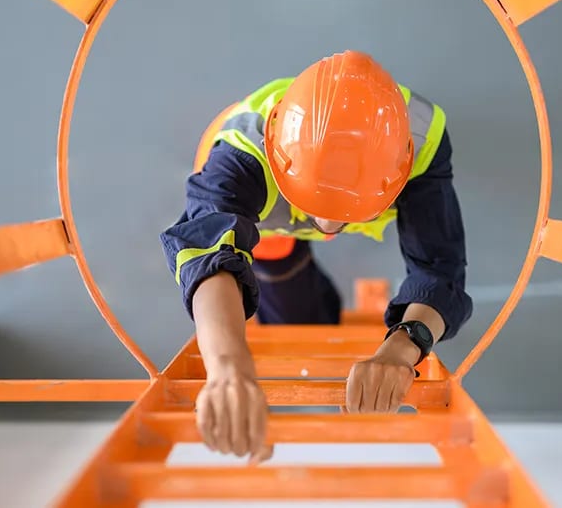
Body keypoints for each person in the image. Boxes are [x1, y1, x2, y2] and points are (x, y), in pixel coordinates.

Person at [160, 50, 473, 463]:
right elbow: (205, 252)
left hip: (290, 193)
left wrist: (401, 350)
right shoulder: (240, 157)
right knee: (288, 298)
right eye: (317, 207)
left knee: (309, 317)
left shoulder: (422, 140)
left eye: (344, 212)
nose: (328, 226)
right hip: (265, 221)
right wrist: (228, 369)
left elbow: (440, 268)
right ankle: (284, 251)